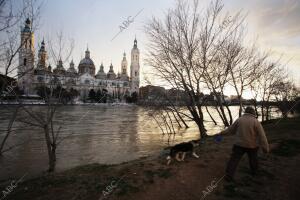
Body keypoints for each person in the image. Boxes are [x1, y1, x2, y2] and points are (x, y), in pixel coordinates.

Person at [218, 106, 269, 181]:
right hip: (252, 146)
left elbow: (230, 130)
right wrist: (265, 148)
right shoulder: (256, 121)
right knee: (253, 160)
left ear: (245, 112)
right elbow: (262, 136)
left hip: (239, 145)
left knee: (234, 160)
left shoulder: (239, 120)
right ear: (253, 113)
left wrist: (221, 133)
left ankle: (229, 176)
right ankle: (254, 172)